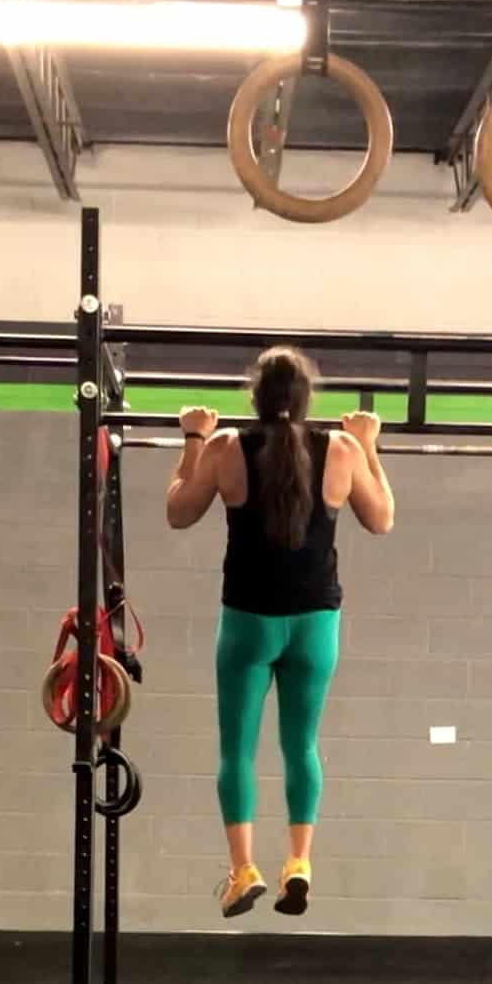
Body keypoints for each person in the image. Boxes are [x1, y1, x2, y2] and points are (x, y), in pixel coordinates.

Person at [165, 346, 395, 919]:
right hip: (315, 624)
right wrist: (368, 444)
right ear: (307, 398)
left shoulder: (225, 447)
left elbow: (178, 510)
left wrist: (192, 438)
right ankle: (299, 862)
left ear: (256, 397)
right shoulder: (341, 449)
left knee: (236, 751)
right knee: (302, 747)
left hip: (248, 622)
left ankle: (243, 870)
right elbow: (382, 518)